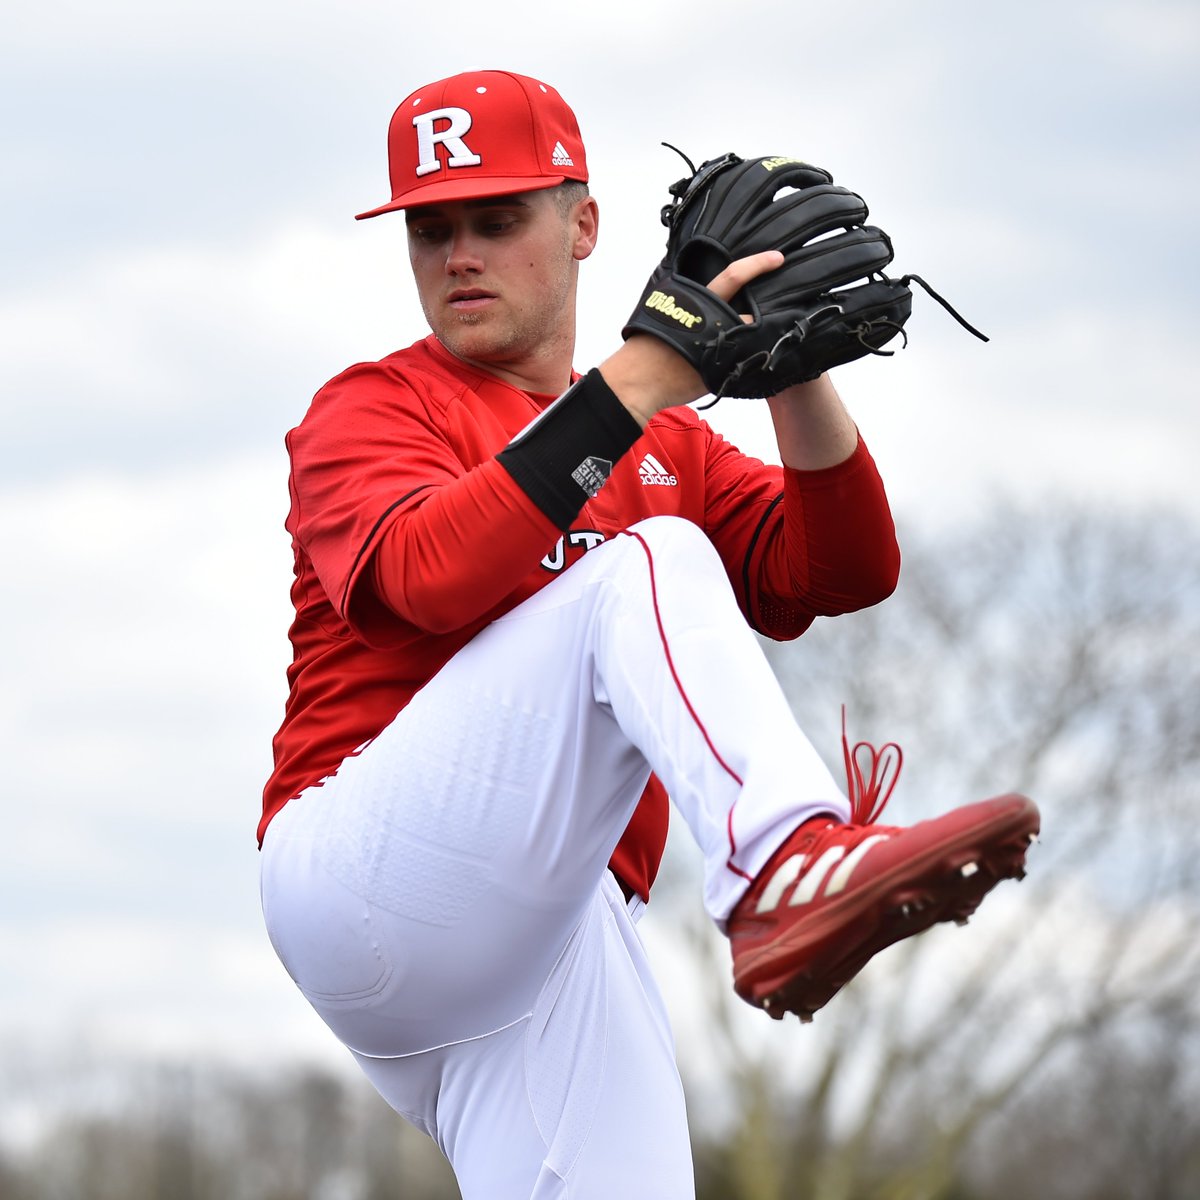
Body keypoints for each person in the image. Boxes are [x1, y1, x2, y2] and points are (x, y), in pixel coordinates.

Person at [258, 69, 1039, 1198]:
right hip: (364, 871)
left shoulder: (667, 443)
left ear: (583, 224)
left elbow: (845, 571)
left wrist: (795, 375)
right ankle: (781, 859)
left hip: (550, 936)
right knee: (650, 563)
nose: (460, 253)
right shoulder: (373, 407)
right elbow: (425, 578)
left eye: (497, 217)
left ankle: (782, 868)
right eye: (432, 228)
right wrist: (641, 376)